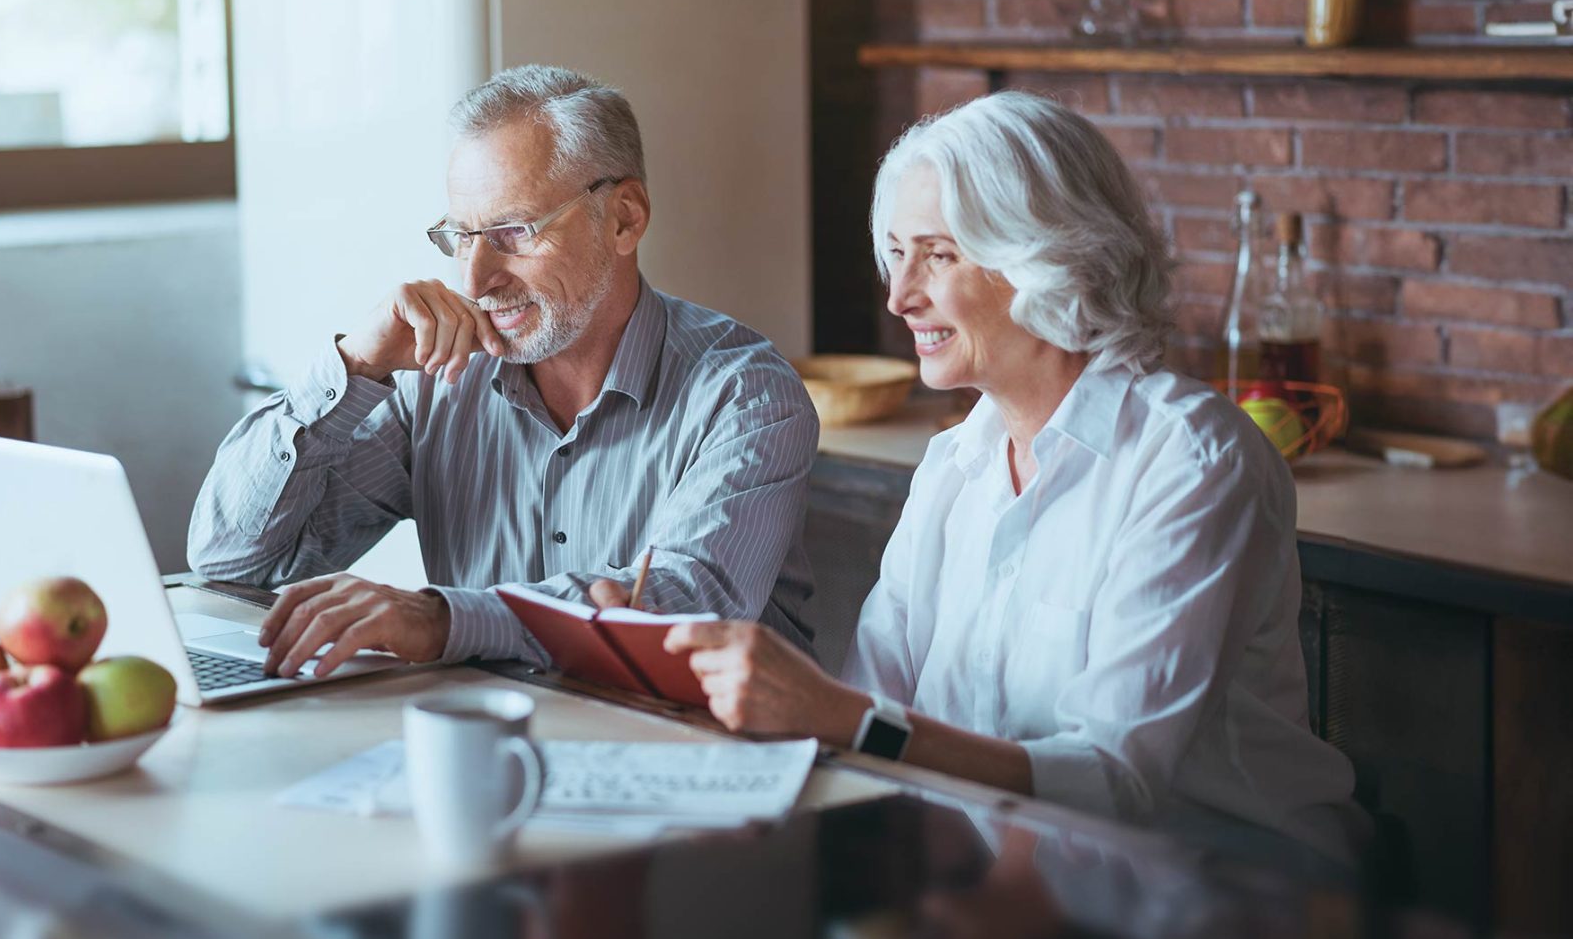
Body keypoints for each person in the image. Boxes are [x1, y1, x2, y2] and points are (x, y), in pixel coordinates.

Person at [594, 90, 1367, 865]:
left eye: (939, 254)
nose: (900, 296)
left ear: (1048, 256)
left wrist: (838, 716)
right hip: (1008, 892)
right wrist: (667, 667)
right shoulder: (954, 466)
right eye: (897, 254)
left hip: (1228, 904)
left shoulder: (1193, 462)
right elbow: (873, 709)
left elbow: (1114, 781)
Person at [188, 65, 816, 677]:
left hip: (695, 761)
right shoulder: (436, 384)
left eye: (513, 231)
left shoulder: (745, 393)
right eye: (462, 236)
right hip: (499, 754)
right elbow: (230, 560)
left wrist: (440, 621)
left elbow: (678, 615)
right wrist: (355, 364)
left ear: (625, 217)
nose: (475, 279)